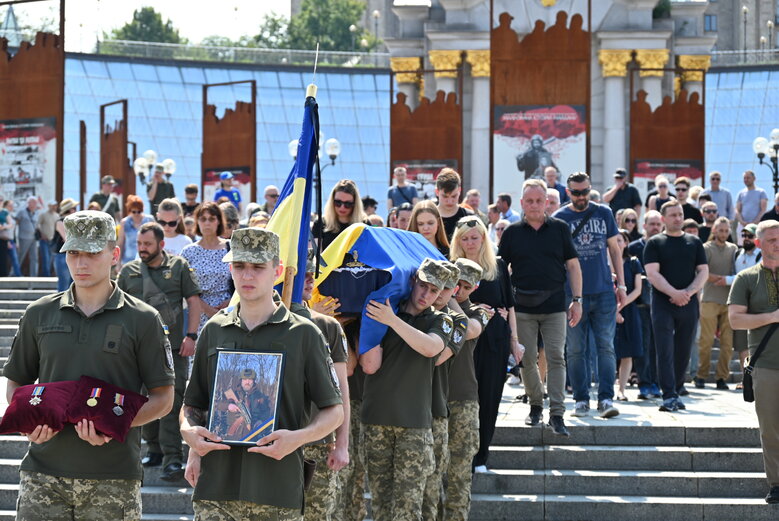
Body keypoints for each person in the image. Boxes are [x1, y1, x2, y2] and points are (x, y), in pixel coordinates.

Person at [3, 210, 175, 520]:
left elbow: (163, 397)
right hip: (43, 476)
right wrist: (29, 421)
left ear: (114, 254)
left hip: (113, 478)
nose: (81, 263)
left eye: (92, 253)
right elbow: (16, 381)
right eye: (73, 253)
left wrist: (114, 423)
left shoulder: (143, 319)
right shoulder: (39, 313)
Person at [180, 227, 343, 520]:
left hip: (277, 491)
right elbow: (192, 404)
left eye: (257, 267)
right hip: (217, 489)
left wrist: (299, 438)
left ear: (277, 269)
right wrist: (188, 432)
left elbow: (334, 411)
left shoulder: (304, 334)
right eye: (239, 266)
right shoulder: (214, 330)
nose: (247, 276)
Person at [358, 258, 452, 521]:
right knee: (380, 506)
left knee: (408, 509)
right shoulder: (385, 310)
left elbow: (432, 348)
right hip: (376, 420)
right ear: (413, 281)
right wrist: (386, 318)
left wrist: (393, 321)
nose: (426, 294)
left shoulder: (441, 320)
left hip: (414, 426)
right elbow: (369, 364)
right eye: (423, 286)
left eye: (434, 290)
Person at [117, 222, 201, 482]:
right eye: (140, 244)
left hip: (172, 348)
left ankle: (172, 459)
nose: (142, 249)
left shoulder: (178, 267)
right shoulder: (129, 271)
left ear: (161, 245)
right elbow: (116, 305)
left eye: (148, 245)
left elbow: (193, 301)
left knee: (172, 402)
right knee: (140, 400)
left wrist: (191, 335)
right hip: (134, 351)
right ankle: (152, 450)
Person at [499, 179, 581, 436]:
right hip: (521, 307)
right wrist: (503, 304)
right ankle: (535, 405)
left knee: (557, 357)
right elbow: (503, 270)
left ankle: (557, 414)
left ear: (547, 202)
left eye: (539, 200)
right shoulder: (512, 232)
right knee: (526, 359)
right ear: (522, 203)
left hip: (556, 306)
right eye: (530, 201)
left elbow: (574, 266)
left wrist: (577, 300)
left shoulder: (560, 229)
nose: (534, 205)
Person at [450, 216, 523, 471]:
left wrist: (516, 342)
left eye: (475, 237)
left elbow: (510, 307)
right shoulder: (451, 267)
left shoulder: (499, 266)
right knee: (462, 397)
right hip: (463, 340)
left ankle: (481, 456)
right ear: (458, 241)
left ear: (483, 238)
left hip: (495, 339)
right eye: (465, 239)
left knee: (490, 396)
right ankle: (459, 454)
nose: (470, 242)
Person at [553, 172, 626, 419]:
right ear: (568, 192)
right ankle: (581, 399)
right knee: (575, 349)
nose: (581, 197)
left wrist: (622, 285)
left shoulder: (603, 212)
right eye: (576, 192)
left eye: (585, 191)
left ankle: (606, 398)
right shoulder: (559, 218)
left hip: (604, 289)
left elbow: (615, 250)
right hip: (573, 294)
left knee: (606, 347)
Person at [294, 254, 351, 521]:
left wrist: (341, 443)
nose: (309, 279)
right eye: (301, 274)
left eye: (310, 274)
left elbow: (341, 390)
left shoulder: (327, 325)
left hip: (317, 441)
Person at [728, 219, 779, 504]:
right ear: (758, 243)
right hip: (766, 364)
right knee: (770, 428)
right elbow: (735, 320)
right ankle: (776, 483)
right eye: (771, 239)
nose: (777, 243)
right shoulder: (747, 277)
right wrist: (771, 317)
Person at [644, 200, 708, 412]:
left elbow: (703, 272)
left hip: (688, 303)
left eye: (680, 214)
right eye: (673, 215)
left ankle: (678, 389)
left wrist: (687, 293)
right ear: (663, 219)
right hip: (663, 303)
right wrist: (674, 293)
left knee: (683, 350)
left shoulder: (694, 242)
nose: (678, 218)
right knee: (664, 349)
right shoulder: (655, 243)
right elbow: (652, 274)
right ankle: (668, 394)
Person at [422, 262, 469, 521]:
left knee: (432, 487)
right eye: (433, 287)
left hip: (435, 409)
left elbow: (436, 356)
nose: (438, 293)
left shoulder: (456, 321)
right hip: (410, 409)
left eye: (446, 288)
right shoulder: (414, 313)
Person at [444, 258, 486, 521]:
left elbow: (469, 330)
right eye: (454, 283)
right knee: (431, 475)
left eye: (465, 286)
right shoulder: (431, 305)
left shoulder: (478, 312)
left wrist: (449, 298)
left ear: (475, 287)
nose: (459, 290)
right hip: (432, 397)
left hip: (463, 398)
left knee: (459, 474)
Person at [695, 217, 737, 390]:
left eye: (726, 231)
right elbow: (702, 270)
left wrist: (726, 281)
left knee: (727, 343)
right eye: (721, 230)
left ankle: (722, 377)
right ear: (714, 231)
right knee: (706, 341)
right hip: (710, 299)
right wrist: (721, 279)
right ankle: (701, 376)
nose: (724, 233)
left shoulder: (733, 249)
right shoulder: (706, 248)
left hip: (729, 300)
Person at [180, 202, 233, 333]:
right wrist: (206, 309)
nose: (207, 223)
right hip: (198, 314)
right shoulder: (188, 251)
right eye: (203, 219)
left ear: (219, 221)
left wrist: (232, 301)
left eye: (211, 219)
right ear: (197, 222)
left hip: (228, 312)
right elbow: (182, 286)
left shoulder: (232, 247)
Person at [628, 210, 664, 400]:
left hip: (662, 303)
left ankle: (657, 383)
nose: (655, 227)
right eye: (652, 224)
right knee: (643, 346)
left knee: (660, 346)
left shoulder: (666, 245)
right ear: (645, 226)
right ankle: (644, 383)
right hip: (640, 304)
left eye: (658, 224)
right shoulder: (634, 248)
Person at [614, 229, 643, 401]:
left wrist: (620, 305)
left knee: (627, 352)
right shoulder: (604, 261)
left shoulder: (633, 262)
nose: (617, 243)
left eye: (620, 240)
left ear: (626, 243)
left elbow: (638, 289)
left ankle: (622, 390)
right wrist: (614, 308)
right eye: (614, 240)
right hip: (606, 309)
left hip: (629, 309)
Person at [731, 223, 762, 383]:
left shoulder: (762, 256)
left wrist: (726, 280)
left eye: (750, 235)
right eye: (743, 235)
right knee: (742, 344)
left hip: (758, 307)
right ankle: (746, 378)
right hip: (741, 306)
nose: (746, 239)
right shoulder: (737, 254)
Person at [313, 180, 367, 250]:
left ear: (355, 204)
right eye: (338, 202)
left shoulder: (364, 224)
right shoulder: (320, 223)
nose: (342, 207)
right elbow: (317, 255)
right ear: (332, 201)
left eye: (347, 204)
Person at [436, 168, 472, 240]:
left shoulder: (469, 216)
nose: (450, 201)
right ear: (437, 192)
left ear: (459, 190)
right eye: (445, 196)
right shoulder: (429, 217)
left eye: (454, 196)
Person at [118, 195, 154, 268]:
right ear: (129, 211)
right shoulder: (124, 222)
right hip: (128, 261)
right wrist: (118, 263)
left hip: (147, 260)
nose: (137, 214)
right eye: (134, 211)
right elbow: (120, 244)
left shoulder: (149, 220)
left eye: (139, 211)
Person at [736, 170, 768, 244]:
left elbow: (763, 209)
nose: (746, 180)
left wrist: (754, 222)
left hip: (757, 225)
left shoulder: (761, 192)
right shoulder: (741, 193)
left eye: (748, 178)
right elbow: (737, 210)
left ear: (754, 178)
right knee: (741, 245)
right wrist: (742, 222)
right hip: (742, 226)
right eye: (744, 178)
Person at [51, 199, 78, 291]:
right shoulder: (60, 222)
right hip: (62, 255)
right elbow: (68, 239)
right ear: (70, 210)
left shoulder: (74, 222)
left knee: (73, 286)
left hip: (73, 255)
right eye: (74, 208)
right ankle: (61, 305)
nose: (75, 210)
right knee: (63, 286)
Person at [15, 196, 39, 277]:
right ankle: (13, 273)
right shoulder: (21, 212)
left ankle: (34, 276)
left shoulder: (36, 212)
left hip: (33, 238)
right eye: (34, 202)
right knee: (20, 256)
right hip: (24, 238)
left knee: (34, 258)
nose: (36, 204)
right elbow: (16, 224)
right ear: (29, 203)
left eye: (36, 203)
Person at [35, 200, 58, 276]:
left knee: (51, 259)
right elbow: (37, 225)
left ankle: (48, 274)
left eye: (55, 205)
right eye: (53, 205)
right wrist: (41, 234)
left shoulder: (57, 216)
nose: (54, 207)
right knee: (45, 258)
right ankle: (46, 275)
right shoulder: (43, 214)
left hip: (52, 240)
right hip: (44, 240)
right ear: (49, 206)